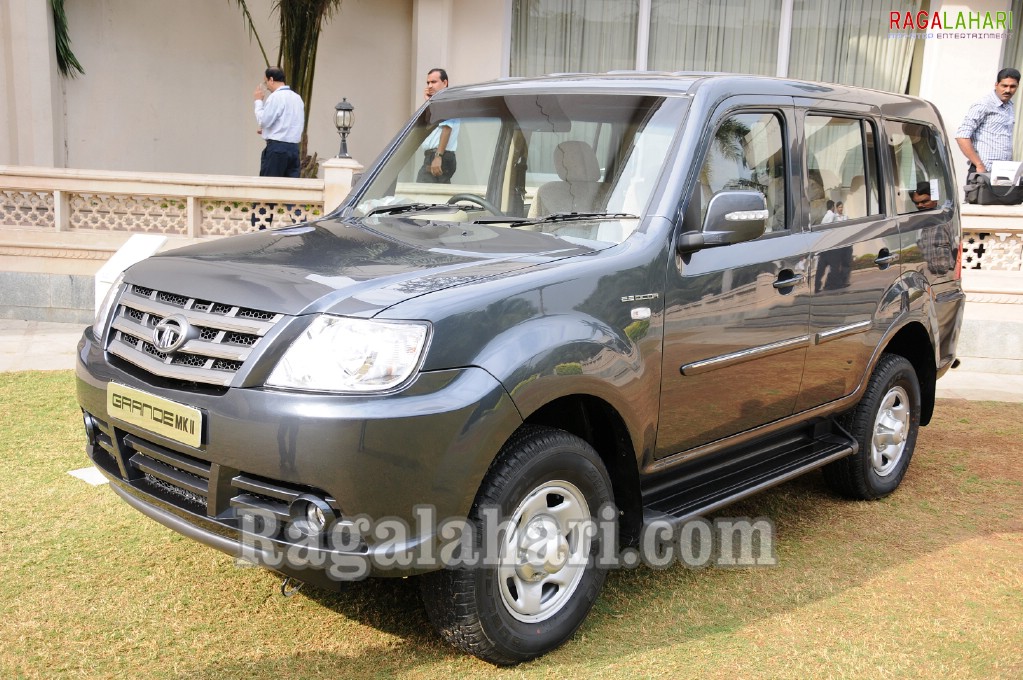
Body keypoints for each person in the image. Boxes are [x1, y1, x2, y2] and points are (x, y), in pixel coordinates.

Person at [955, 67, 1020, 173]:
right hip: (984, 172)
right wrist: (979, 165)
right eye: (1004, 86)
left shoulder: (1009, 106)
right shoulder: (984, 104)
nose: (1008, 90)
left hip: (1002, 173)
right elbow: (962, 136)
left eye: (1012, 86)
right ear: (996, 84)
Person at [253, 67, 305, 178]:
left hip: (277, 149)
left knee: (269, 187)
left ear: (271, 79)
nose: (266, 85)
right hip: (294, 150)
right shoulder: (297, 98)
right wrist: (266, 130)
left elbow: (263, 121)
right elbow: (291, 122)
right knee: (291, 189)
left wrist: (258, 101)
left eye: (266, 81)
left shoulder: (275, 97)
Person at [417, 68, 458, 183]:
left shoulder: (447, 102)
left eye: (434, 82)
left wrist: (438, 156)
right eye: (428, 83)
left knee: (422, 191)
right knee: (436, 193)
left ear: (445, 83)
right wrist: (428, 103)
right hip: (434, 155)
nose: (429, 86)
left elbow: (447, 128)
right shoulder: (437, 104)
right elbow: (429, 127)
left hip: (439, 155)